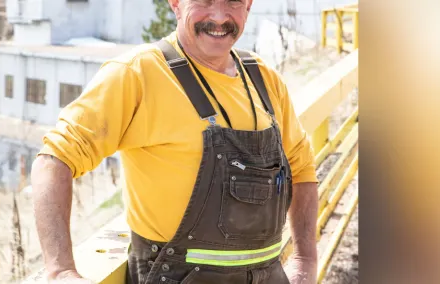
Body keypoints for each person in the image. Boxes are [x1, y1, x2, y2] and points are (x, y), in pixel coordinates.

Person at [31, 0, 319, 283]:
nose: (219, 16)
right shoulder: (138, 73)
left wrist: (305, 259)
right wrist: (61, 272)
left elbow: (301, 166)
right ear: (176, 3)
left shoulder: (263, 78)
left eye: (233, 1)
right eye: (205, 1)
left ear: (249, 5)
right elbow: (53, 161)